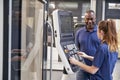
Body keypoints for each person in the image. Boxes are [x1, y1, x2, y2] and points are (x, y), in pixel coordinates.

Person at [75, 10, 100, 80]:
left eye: (91, 19)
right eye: (87, 19)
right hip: (82, 68)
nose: (89, 21)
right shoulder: (79, 32)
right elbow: (76, 49)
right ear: (84, 19)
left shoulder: (100, 32)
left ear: (95, 19)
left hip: (96, 68)